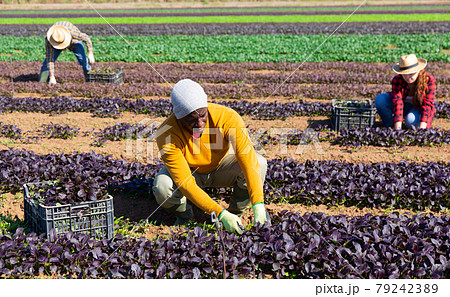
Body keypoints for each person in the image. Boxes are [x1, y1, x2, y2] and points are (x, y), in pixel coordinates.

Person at [152, 79, 269, 234]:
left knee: (259, 164)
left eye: (202, 115)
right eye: (191, 119)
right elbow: (185, 182)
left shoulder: (227, 117)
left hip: (221, 167)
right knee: (162, 187)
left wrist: (258, 205)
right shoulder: (166, 133)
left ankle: (235, 214)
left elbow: (248, 161)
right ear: (178, 115)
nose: (199, 123)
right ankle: (186, 217)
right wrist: (220, 213)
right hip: (190, 172)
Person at [375, 54, 436, 130]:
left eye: (411, 74)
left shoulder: (428, 80)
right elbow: (398, 103)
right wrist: (397, 129)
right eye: (405, 74)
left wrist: (422, 130)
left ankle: (411, 122)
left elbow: (427, 105)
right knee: (381, 99)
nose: (408, 77)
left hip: (418, 108)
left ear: (418, 70)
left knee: (411, 122)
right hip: (404, 106)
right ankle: (389, 125)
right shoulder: (397, 80)